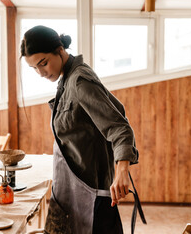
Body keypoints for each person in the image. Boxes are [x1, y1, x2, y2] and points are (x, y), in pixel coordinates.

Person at [21, 25, 141, 234]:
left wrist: (122, 169)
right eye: (34, 68)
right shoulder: (65, 79)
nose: (41, 73)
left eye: (43, 63)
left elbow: (120, 128)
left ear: (59, 50)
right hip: (69, 189)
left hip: (89, 195)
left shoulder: (79, 81)